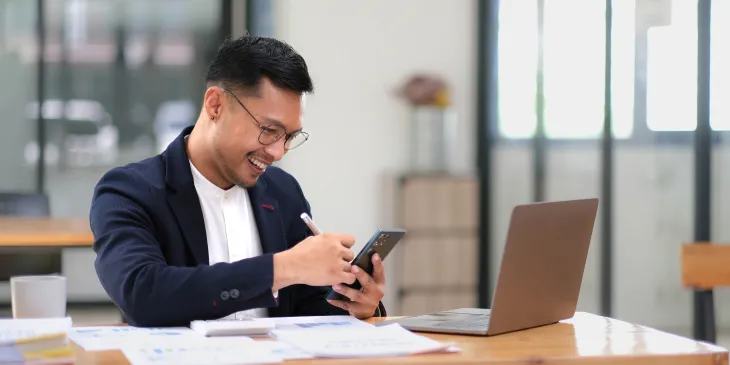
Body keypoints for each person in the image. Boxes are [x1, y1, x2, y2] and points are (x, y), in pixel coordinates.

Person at [89, 35, 387, 327]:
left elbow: (308, 306)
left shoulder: (284, 192)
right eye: (269, 130)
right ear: (215, 105)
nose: (278, 152)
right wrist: (282, 268)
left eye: (290, 137)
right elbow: (143, 295)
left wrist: (356, 305)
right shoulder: (129, 191)